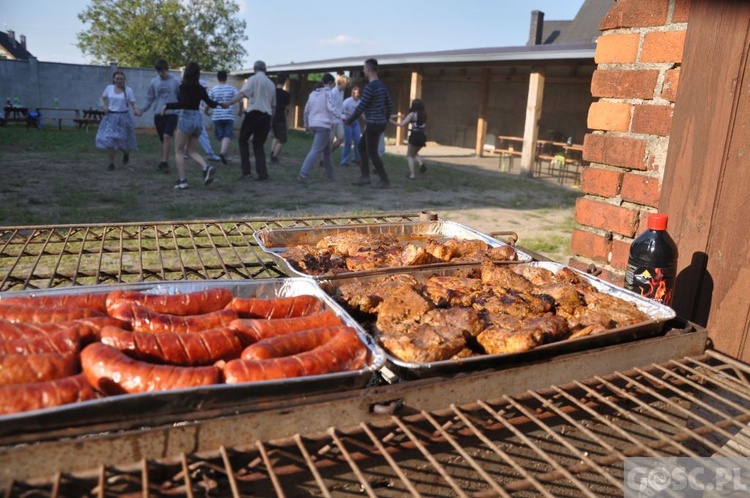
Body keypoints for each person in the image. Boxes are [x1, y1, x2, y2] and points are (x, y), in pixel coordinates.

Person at [162, 62, 220, 190]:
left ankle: (182, 180)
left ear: (186, 73)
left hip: (186, 118)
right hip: (198, 120)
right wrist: (221, 103)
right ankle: (206, 167)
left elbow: (184, 103)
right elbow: (210, 102)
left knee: (179, 151)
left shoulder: (183, 87)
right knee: (191, 151)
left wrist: (168, 106)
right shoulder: (200, 88)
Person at [221, 60, 276, 181]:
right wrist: (271, 123)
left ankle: (246, 171)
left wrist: (229, 103)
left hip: (254, 114)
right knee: (258, 145)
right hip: (266, 116)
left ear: (255, 69)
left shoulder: (253, 79)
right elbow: (273, 106)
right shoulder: (271, 84)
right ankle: (263, 174)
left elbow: (242, 94)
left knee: (243, 140)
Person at [345, 58, 393, 188]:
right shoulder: (382, 86)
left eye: (364, 68)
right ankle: (365, 176)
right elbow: (390, 105)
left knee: (372, 152)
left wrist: (350, 120)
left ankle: (384, 180)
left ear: (369, 69)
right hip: (379, 123)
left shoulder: (370, 87)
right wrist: (385, 120)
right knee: (362, 147)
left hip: (373, 123)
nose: (363, 70)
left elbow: (361, 107)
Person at [139, 58, 180, 174]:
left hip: (172, 114)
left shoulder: (175, 81)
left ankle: (164, 163)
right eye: (159, 71)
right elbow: (149, 98)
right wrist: (142, 110)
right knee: (162, 139)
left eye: (163, 71)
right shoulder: (154, 82)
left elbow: (181, 98)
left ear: (167, 69)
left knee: (167, 136)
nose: (161, 73)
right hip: (158, 113)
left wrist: (180, 110)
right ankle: (163, 161)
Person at [297, 74, 339, 185]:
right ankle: (303, 174)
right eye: (333, 84)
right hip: (323, 125)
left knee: (327, 151)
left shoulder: (313, 94)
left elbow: (306, 110)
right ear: (330, 83)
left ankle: (330, 174)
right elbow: (331, 108)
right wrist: (342, 117)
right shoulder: (328, 93)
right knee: (316, 150)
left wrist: (306, 125)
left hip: (313, 124)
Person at [95, 70, 140, 171]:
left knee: (122, 140)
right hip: (111, 117)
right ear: (113, 79)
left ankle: (125, 152)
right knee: (110, 140)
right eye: (117, 79)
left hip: (124, 118)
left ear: (125, 80)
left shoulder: (128, 90)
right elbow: (102, 98)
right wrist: (103, 105)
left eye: (122, 79)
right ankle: (111, 163)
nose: (120, 81)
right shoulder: (109, 88)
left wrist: (136, 109)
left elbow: (133, 103)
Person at [207, 70, 239, 165]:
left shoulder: (213, 89)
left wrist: (206, 111)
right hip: (228, 115)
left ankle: (226, 155)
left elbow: (208, 102)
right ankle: (223, 153)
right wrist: (240, 110)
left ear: (217, 78)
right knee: (227, 136)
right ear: (226, 77)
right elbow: (240, 99)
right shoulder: (232, 89)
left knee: (221, 137)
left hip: (217, 116)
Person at [390, 99, 427, 179]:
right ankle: (421, 163)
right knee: (414, 152)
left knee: (409, 155)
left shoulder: (412, 114)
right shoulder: (423, 115)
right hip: (422, 136)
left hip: (415, 136)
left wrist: (390, 121)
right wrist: (405, 117)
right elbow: (417, 122)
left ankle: (412, 175)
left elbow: (401, 124)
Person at [270, 73, 290, 164]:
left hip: (272, 117)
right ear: (285, 82)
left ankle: (272, 153)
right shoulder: (286, 94)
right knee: (283, 139)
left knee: (276, 136)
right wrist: (286, 114)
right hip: (280, 118)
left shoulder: (272, 93)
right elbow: (287, 109)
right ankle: (274, 157)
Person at [341, 85, 361, 166]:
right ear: (352, 94)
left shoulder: (360, 102)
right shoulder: (347, 101)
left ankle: (357, 159)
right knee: (348, 142)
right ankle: (344, 161)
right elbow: (341, 111)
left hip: (355, 122)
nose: (356, 95)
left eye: (358, 94)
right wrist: (348, 114)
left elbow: (361, 112)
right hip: (347, 122)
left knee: (357, 140)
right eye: (355, 94)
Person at [330, 74, 347, 157]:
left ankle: (327, 154)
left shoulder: (342, 92)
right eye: (346, 84)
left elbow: (340, 106)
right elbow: (331, 107)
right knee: (330, 140)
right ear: (341, 82)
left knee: (340, 139)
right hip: (332, 120)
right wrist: (340, 115)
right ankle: (323, 158)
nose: (346, 86)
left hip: (339, 119)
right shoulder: (333, 92)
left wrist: (345, 113)